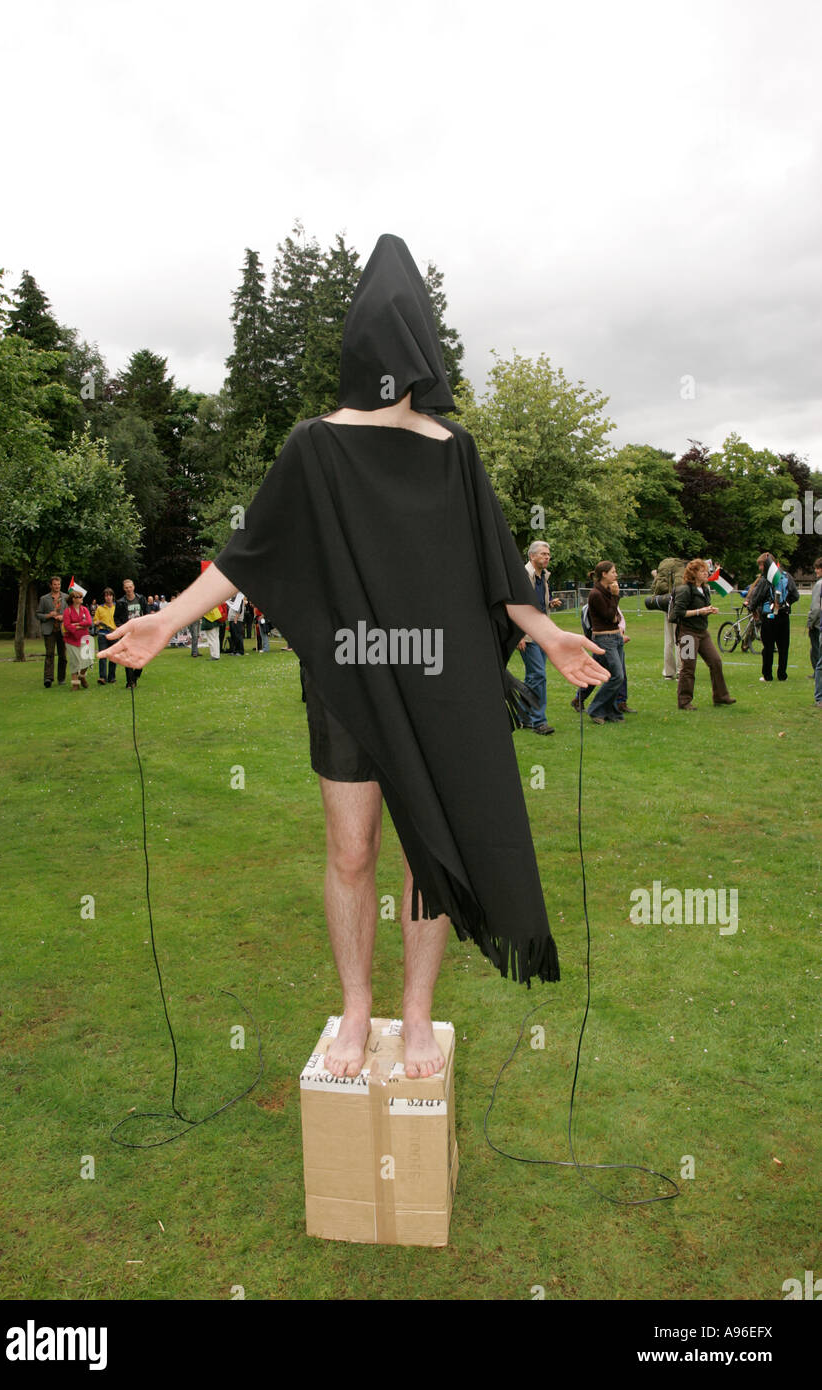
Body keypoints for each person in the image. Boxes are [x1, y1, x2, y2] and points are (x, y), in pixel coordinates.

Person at [104, 232, 608, 1080]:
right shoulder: (315, 447)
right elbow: (249, 550)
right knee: (350, 849)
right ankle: (355, 1007)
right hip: (349, 679)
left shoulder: (456, 451)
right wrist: (169, 620)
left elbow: (498, 562)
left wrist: (549, 633)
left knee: (429, 850)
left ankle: (415, 1018)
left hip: (441, 683)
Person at [671, 559, 735, 710]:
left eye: (707, 570)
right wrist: (700, 611)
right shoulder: (684, 590)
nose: (706, 573)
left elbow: (702, 609)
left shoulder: (705, 589)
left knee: (716, 661)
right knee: (688, 667)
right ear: (693, 574)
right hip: (687, 633)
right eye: (702, 571)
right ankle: (684, 701)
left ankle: (720, 696)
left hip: (702, 632)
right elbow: (676, 614)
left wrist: (709, 610)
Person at [517, 540, 563, 735]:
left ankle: (522, 717)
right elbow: (516, 605)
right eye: (543, 554)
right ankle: (539, 722)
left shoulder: (543, 576)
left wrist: (549, 603)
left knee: (532, 678)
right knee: (538, 675)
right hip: (528, 634)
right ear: (532, 556)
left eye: (548, 554)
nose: (547, 557)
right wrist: (518, 635)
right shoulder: (522, 576)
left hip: (542, 632)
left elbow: (535, 604)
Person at [585, 563, 628, 723]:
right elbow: (610, 615)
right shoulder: (596, 594)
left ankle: (611, 712)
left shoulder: (607, 591)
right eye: (613, 572)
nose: (616, 575)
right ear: (604, 574)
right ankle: (595, 710)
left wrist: (613, 597)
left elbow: (615, 616)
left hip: (615, 637)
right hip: (605, 639)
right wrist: (616, 596)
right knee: (617, 676)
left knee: (614, 676)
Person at [747, 551, 795, 681]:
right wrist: (785, 604)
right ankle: (782, 675)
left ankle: (767, 675)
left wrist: (752, 608)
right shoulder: (786, 576)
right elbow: (795, 595)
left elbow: (756, 597)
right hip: (784, 616)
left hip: (769, 617)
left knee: (768, 647)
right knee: (783, 647)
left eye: (761, 565)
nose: (760, 568)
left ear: (767, 565)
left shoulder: (765, 579)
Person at [652, 556, 685, 679]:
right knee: (679, 639)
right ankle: (681, 670)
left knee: (668, 640)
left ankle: (668, 671)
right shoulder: (681, 571)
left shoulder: (664, 573)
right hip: (678, 607)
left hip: (666, 605)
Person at [113, 580, 147, 689]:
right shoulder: (121, 602)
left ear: (133, 587)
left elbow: (146, 613)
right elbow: (116, 617)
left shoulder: (141, 599)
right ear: (124, 589)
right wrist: (122, 628)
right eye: (126, 587)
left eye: (130, 587)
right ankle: (130, 682)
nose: (128, 589)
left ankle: (136, 675)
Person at [37, 576, 67, 687]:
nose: (57, 586)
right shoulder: (44, 599)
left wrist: (63, 617)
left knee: (63, 655)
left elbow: (70, 613)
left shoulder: (66, 597)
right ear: (51, 585)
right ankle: (48, 678)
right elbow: (38, 614)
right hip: (49, 630)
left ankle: (61, 678)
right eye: (55, 584)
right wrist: (48, 615)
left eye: (58, 584)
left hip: (62, 630)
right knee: (49, 654)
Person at [62, 584, 93, 690]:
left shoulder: (85, 609)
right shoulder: (67, 611)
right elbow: (67, 625)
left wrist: (77, 625)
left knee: (88, 660)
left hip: (84, 638)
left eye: (81, 597)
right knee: (74, 661)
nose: (81, 599)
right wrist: (78, 627)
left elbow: (89, 622)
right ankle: (75, 684)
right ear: (73, 599)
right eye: (79, 597)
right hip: (71, 640)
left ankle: (82, 676)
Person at [93, 587, 118, 685]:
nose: (108, 597)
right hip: (102, 634)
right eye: (106, 596)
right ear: (104, 597)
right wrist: (97, 622)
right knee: (102, 656)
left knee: (113, 656)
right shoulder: (100, 608)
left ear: (113, 596)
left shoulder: (117, 607)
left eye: (110, 595)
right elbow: (95, 621)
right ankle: (102, 677)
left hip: (114, 633)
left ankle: (112, 677)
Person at [806, 557, 822, 676]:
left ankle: (818, 673)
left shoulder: (819, 584)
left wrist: (810, 623)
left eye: (818, 568)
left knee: (816, 649)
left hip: (818, 624)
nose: (816, 571)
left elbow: (816, 607)